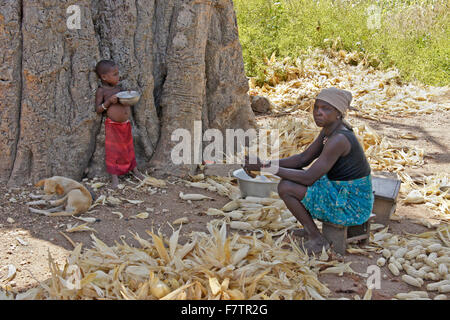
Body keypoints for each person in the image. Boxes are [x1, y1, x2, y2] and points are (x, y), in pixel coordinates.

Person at [244, 87, 374, 254]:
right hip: (340, 190)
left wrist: (264, 167)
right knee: (291, 179)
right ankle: (309, 229)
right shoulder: (329, 130)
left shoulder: (339, 139)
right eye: (316, 107)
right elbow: (302, 159)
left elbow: (308, 178)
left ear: (338, 113)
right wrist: (264, 163)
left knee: (286, 187)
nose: (318, 113)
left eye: (326, 109)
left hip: (352, 204)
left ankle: (317, 239)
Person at [95, 60, 144, 188]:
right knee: (113, 151)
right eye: (115, 74)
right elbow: (98, 109)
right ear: (104, 77)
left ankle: (134, 170)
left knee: (128, 148)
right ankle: (114, 177)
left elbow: (124, 102)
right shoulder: (102, 91)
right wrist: (109, 102)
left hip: (125, 124)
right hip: (113, 126)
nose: (118, 77)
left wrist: (127, 96)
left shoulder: (119, 89)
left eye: (118, 74)